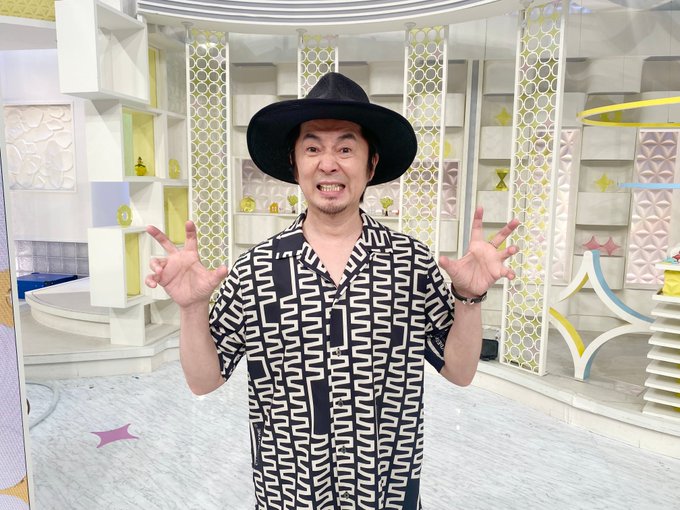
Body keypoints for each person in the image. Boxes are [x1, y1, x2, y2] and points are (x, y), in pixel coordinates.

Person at [145, 72, 519, 509]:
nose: (328, 164)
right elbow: (203, 381)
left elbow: (460, 371)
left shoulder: (412, 262)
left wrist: (469, 299)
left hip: (386, 492)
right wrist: (192, 308)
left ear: (371, 165)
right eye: (312, 148)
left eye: (345, 148)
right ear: (294, 163)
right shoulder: (255, 270)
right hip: (290, 494)